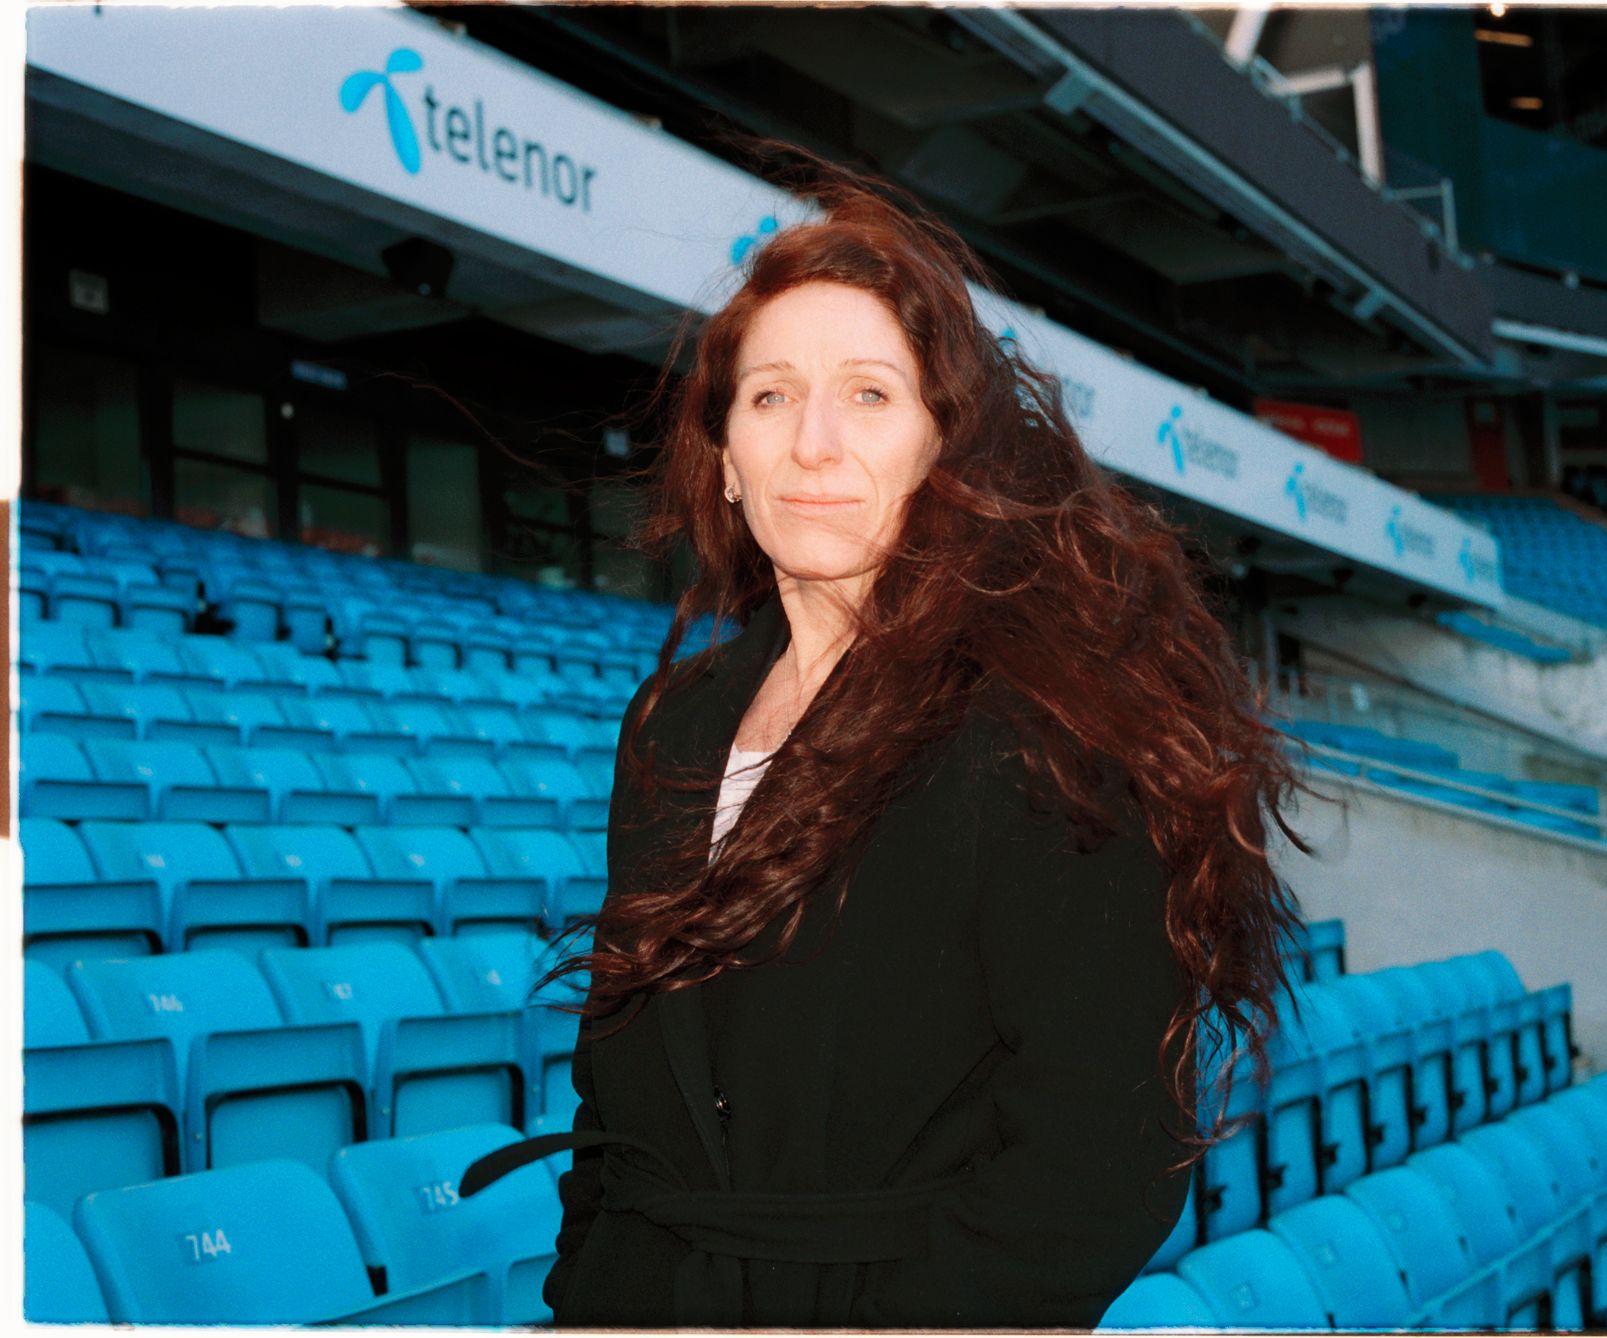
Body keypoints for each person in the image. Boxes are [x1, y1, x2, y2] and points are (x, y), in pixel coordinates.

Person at [462, 146, 1316, 1330]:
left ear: (943, 448)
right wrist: (590, 1284)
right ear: (722, 461)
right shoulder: (675, 714)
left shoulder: (1049, 727)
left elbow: (1097, 1154)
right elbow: (622, 1065)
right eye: (770, 397)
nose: (814, 443)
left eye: (869, 394)